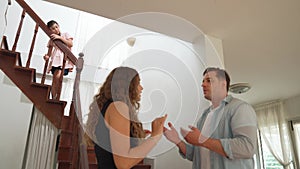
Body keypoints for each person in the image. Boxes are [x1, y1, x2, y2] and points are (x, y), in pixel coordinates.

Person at [164, 67, 257, 169]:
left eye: (209, 80)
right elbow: (196, 155)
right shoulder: (204, 116)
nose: (203, 84)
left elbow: (247, 147)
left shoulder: (240, 108)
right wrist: (177, 140)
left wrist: (203, 141)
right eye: (203, 81)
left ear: (223, 84)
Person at [85, 66, 167, 169]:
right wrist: (156, 136)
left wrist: (136, 140)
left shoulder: (109, 106)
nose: (141, 88)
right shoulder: (119, 107)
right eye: (138, 83)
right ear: (128, 86)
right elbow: (123, 163)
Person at [43, 20, 74, 99]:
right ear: (50, 30)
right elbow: (49, 53)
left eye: (56, 27)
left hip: (64, 60)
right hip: (55, 60)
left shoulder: (65, 34)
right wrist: (46, 56)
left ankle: (57, 97)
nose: (56, 29)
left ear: (59, 26)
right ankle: (53, 97)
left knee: (58, 77)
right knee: (55, 79)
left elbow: (70, 44)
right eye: (53, 28)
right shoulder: (52, 39)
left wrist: (59, 37)